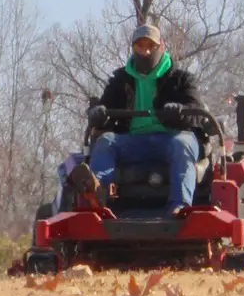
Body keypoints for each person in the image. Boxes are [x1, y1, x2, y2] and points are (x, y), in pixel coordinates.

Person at [76, 19, 210, 213]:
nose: (146, 52)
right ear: (133, 48)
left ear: (161, 46)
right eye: (140, 46)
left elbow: (196, 111)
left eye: (151, 46)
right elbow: (105, 108)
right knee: (105, 141)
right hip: (134, 142)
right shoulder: (120, 80)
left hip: (171, 138)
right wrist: (97, 114)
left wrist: (179, 111)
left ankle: (179, 206)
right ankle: (96, 193)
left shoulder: (181, 79)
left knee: (183, 144)